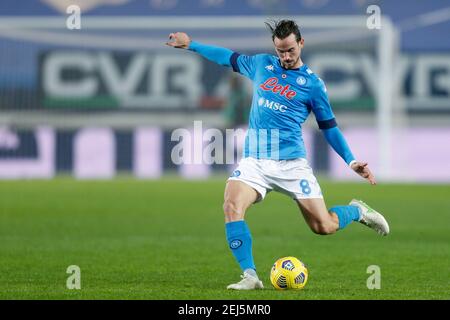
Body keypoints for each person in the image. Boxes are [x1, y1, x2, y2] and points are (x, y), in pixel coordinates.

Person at [166, 20, 390, 290]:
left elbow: (329, 127)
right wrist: (191, 45)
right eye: (281, 51)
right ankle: (250, 276)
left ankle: (357, 211)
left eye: (290, 50)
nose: (285, 56)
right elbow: (227, 57)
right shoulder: (261, 64)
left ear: (301, 44)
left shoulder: (313, 85)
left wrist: (351, 160)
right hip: (254, 162)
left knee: (323, 227)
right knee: (231, 207)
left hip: (291, 165)